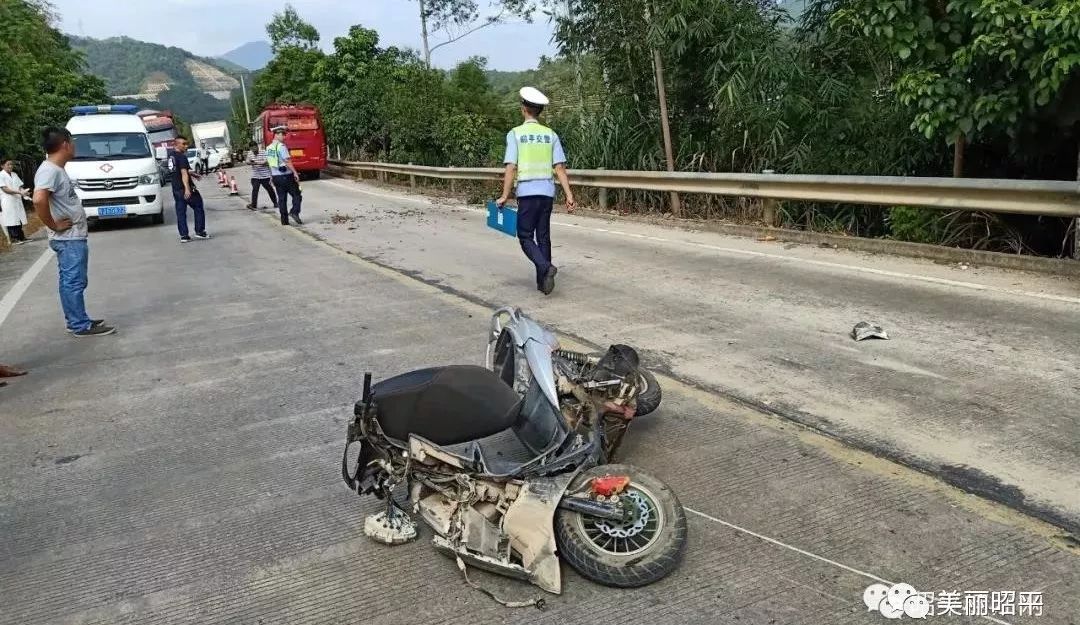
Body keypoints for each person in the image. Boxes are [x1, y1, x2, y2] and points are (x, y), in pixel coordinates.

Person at [32, 127, 114, 337]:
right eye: (73, 142)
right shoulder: (49, 170)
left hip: (72, 237)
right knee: (73, 281)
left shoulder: (56, 169)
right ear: (65, 145)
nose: (74, 146)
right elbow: (39, 199)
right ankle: (79, 324)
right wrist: (53, 225)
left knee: (72, 280)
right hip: (68, 238)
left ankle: (76, 319)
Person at [496, 87, 576, 295]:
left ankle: (545, 267)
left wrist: (505, 195)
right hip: (547, 192)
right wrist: (569, 195)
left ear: (523, 109)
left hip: (527, 192)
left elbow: (511, 167)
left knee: (524, 236)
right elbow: (559, 168)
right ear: (539, 111)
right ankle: (543, 284)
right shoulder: (550, 135)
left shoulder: (516, 134)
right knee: (543, 236)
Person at [167, 136, 210, 243]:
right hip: (183, 188)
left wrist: (193, 174)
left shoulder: (171, 156)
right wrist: (187, 188)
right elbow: (183, 173)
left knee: (181, 212)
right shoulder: (181, 157)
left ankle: (184, 235)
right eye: (183, 144)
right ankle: (200, 231)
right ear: (176, 144)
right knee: (198, 205)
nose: (186, 146)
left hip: (176, 189)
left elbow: (181, 171)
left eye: (187, 144)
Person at [266, 126, 303, 226]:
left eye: (284, 134)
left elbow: (270, 163)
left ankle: (284, 221)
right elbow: (287, 161)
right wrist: (295, 172)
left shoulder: (269, 148)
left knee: (282, 199)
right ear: (276, 134)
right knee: (297, 195)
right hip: (286, 176)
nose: (284, 137)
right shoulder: (281, 147)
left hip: (276, 177)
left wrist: (271, 176)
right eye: (282, 134)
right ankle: (294, 212)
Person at [0, 159, 31, 244]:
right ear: (2, 166)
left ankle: (21, 237)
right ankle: (14, 239)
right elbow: (5, 189)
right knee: (11, 219)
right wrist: (19, 192)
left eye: (11, 164)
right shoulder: (1, 175)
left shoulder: (14, 174)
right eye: (8, 164)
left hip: (16, 199)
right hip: (7, 200)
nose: (10, 166)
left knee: (18, 218)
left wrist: (24, 192)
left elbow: (19, 186)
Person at [246, 141, 277, 210]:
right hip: (255, 176)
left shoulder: (263, 152)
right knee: (255, 190)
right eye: (252, 148)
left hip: (265, 175)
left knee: (269, 189)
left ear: (257, 146)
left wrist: (255, 163)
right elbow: (247, 161)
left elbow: (266, 162)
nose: (254, 150)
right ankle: (254, 205)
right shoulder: (250, 153)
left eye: (255, 147)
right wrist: (250, 162)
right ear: (250, 148)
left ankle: (275, 202)